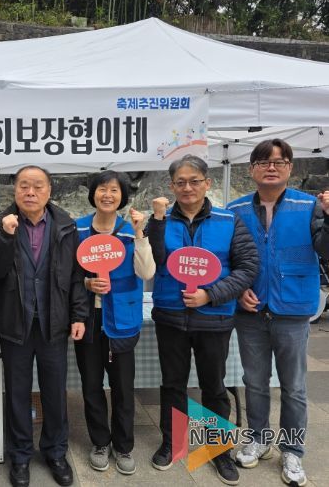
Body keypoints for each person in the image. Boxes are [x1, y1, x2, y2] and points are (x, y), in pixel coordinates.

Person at [147, 154, 258, 485]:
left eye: (194, 181)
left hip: (215, 318)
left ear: (207, 183)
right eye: (180, 182)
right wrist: (156, 222)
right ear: (172, 186)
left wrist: (211, 294)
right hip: (170, 316)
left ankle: (218, 449)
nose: (188, 188)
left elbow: (248, 267)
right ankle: (172, 442)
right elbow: (153, 261)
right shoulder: (161, 221)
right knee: (172, 384)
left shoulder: (228, 220)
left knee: (214, 386)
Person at [228, 139, 329, 486]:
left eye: (279, 161)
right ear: (251, 169)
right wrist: (238, 290)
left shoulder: (311, 206)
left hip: (292, 308)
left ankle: (293, 450)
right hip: (251, 310)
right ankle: (258, 439)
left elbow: (325, 250)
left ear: (290, 168)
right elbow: (227, 258)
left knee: (294, 386)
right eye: (263, 161)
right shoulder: (236, 209)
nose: (271, 167)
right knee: (254, 381)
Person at [0, 166, 89, 487]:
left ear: (49, 190)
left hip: (54, 323)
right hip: (15, 322)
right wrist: (6, 236)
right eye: (24, 186)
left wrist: (78, 315)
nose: (30, 192)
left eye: (37, 186)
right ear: (15, 190)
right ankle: (20, 455)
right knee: (17, 392)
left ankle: (56, 452)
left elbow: (76, 275)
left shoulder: (66, 225)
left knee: (55, 391)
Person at [73, 171, 155, 475]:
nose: (107, 195)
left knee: (123, 387)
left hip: (122, 318)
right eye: (102, 189)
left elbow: (146, 273)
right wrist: (86, 282)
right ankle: (100, 442)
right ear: (93, 193)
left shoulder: (131, 230)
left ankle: (123, 446)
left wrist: (141, 233)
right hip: (89, 318)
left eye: (114, 190)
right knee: (91, 385)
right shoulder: (78, 229)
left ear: (122, 196)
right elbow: (66, 273)